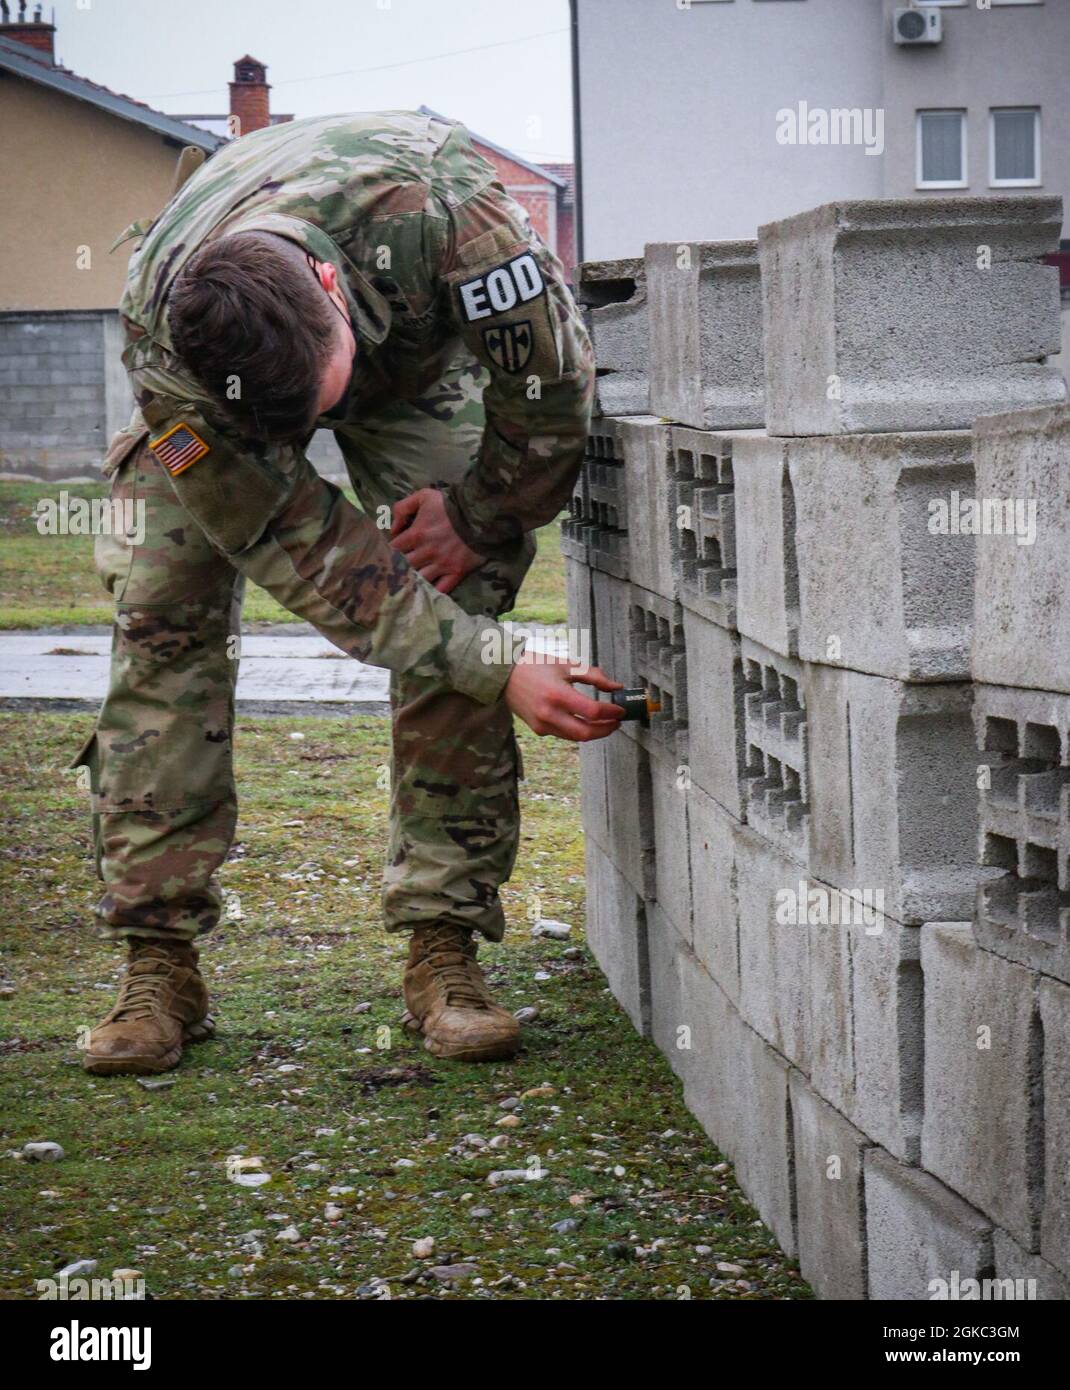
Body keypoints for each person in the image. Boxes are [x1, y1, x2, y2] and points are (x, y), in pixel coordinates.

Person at [76, 110, 622, 1076]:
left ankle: (442, 945)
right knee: (160, 626)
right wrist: (499, 673)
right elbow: (304, 550)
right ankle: (158, 960)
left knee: (463, 584)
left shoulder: (457, 221)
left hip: (411, 367)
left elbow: (548, 403)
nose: (307, 436)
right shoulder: (170, 335)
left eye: (315, 408)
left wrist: (479, 513)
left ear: (332, 286)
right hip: (212, 408)